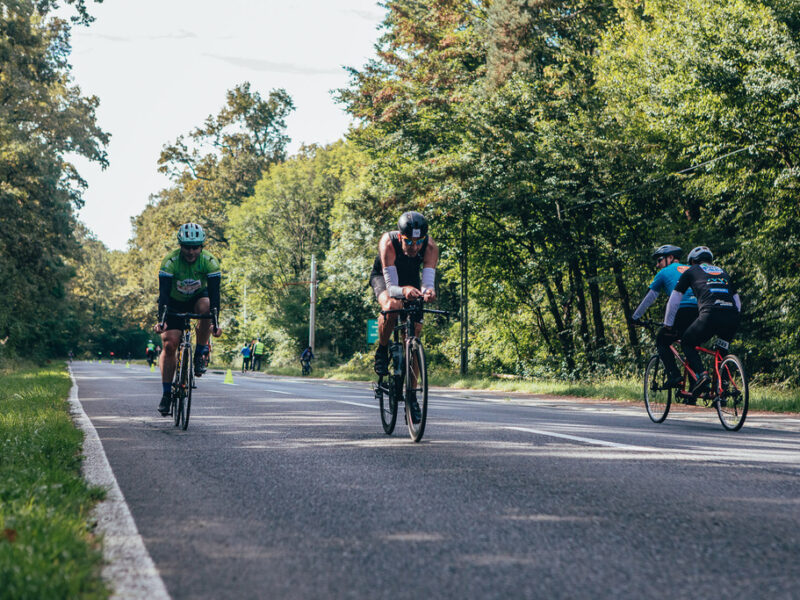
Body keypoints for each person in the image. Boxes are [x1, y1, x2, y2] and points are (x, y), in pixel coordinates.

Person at [368, 210, 439, 423]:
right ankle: (382, 350)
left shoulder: (430, 247)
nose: (414, 247)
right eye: (409, 242)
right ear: (400, 237)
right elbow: (391, 287)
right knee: (392, 306)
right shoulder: (388, 243)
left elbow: (427, 282)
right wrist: (404, 290)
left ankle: (412, 396)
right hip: (386, 278)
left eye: (419, 242)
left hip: (411, 280)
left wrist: (428, 291)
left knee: (415, 331)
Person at [154, 222, 222, 416]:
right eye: (186, 247)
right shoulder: (170, 262)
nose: (191, 251)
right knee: (170, 344)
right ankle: (167, 394)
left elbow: (216, 296)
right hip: (174, 302)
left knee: (206, 306)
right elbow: (164, 295)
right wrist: (162, 320)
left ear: (202, 246)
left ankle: (200, 352)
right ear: (180, 245)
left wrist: (215, 324)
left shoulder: (210, 262)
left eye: (195, 247)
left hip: (197, 299)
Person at [663, 246, 741, 396]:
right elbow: (737, 301)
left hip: (710, 314)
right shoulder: (723, 272)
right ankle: (723, 387)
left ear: (692, 261)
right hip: (732, 316)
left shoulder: (691, 271)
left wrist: (668, 324)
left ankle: (702, 375)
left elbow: (674, 299)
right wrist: (735, 318)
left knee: (687, 342)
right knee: (722, 350)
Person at [631, 245, 698, 387]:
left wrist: (635, 317)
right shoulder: (691, 269)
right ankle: (695, 387)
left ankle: (674, 375)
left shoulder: (663, 273)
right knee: (690, 346)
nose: (657, 264)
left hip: (682, 310)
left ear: (671, 258)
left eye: (659, 260)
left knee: (662, 340)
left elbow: (649, 298)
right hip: (700, 312)